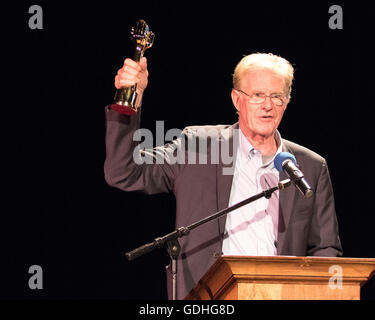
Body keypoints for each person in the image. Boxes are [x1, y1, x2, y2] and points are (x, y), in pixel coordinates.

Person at [104, 53, 343, 300]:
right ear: (237, 99)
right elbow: (124, 172)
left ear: (287, 101)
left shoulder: (311, 166)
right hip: (210, 298)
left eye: (277, 97)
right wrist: (128, 100)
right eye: (258, 95)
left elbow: (325, 248)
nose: (268, 105)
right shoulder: (198, 147)